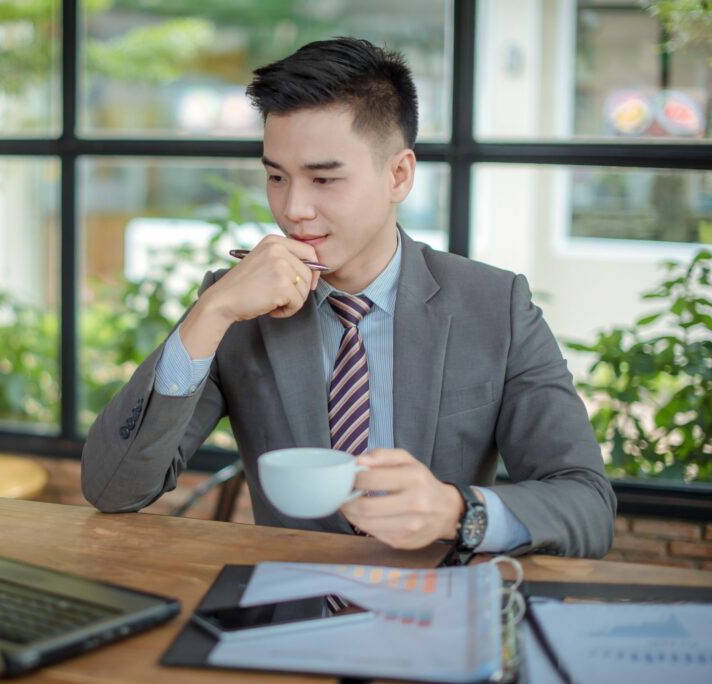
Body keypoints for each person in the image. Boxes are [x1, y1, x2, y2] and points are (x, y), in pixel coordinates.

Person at [81, 37, 615, 558]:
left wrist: (457, 512)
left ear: (399, 174)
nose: (294, 209)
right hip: (287, 618)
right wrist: (212, 310)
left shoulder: (496, 306)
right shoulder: (239, 308)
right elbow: (114, 488)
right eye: (276, 176)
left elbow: (587, 506)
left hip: (441, 615)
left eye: (323, 179)